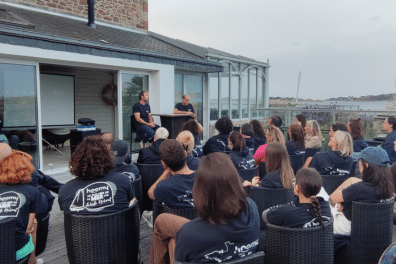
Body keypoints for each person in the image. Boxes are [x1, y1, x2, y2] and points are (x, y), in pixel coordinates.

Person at [149, 152, 260, 264]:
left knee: (172, 238)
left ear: (201, 189)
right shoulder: (252, 207)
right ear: (236, 180)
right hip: (233, 247)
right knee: (164, 223)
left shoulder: (188, 233)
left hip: (204, 237)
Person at [58, 135, 135, 215]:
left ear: (76, 160)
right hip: (118, 226)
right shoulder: (122, 180)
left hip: (82, 227)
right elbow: (133, 209)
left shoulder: (64, 191)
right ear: (108, 158)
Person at [330, 147, 394, 235]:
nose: (358, 163)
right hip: (374, 232)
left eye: (359, 161)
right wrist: (343, 202)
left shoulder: (359, 188)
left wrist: (342, 202)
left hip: (346, 227)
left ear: (366, 166)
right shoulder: (388, 188)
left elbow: (333, 198)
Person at [0, 147, 44, 264]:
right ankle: (32, 261)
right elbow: (28, 228)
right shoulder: (33, 192)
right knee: (32, 226)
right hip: (17, 252)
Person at [263, 168, 331, 228]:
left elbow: (265, 215)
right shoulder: (325, 206)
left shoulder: (286, 212)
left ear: (297, 188)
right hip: (321, 242)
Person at [148, 139, 196, 208]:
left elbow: (150, 193)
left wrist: (166, 171)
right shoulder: (203, 178)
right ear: (185, 154)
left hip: (173, 217)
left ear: (163, 163)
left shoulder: (163, 187)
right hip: (200, 217)